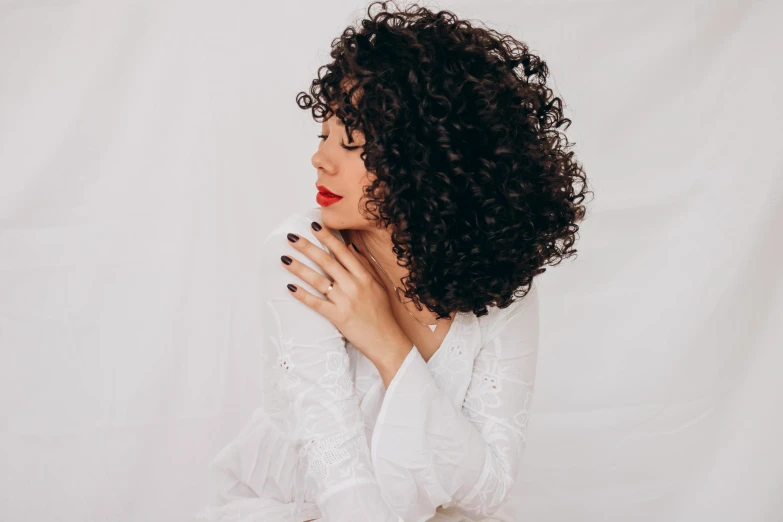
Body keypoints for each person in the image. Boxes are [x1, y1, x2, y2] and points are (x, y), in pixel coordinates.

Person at [197, 1, 590, 521]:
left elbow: (491, 486)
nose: (321, 158)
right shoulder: (304, 254)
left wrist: (385, 341)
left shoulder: (501, 288)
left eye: (352, 141)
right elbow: (339, 483)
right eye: (324, 135)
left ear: (430, 162)